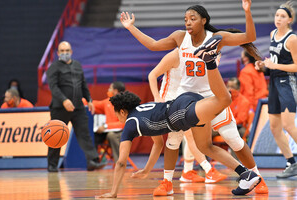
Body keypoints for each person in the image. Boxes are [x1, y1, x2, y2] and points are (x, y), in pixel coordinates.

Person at [119, 0, 268, 195]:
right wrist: (131, 27)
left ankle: (257, 177)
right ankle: (167, 183)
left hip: (211, 95)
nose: (187, 22)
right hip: (186, 97)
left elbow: (250, 36)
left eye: (192, 19)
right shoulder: (180, 37)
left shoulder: (217, 37)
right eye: (185, 19)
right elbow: (154, 45)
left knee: (233, 139)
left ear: (204, 20)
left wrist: (247, 12)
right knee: (175, 139)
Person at [98, 36, 261, 198]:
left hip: (179, 113)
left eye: (115, 113)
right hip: (183, 101)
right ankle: (246, 175)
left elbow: (120, 162)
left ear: (122, 112)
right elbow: (158, 144)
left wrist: (113, 192)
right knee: (205, 146)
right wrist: (146, 170)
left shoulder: (130, 124)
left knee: (223, 100)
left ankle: (210, 61)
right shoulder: (141, 110)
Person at [132, 48, 227, 184]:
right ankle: (208, 170)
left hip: (184, 98)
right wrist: (157, 97)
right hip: (169, 99)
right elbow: (152, 75)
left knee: (190, 135)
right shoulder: (175, 55)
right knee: (189, 134)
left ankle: (188, 171)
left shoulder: (196, 54)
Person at [46, 41, 106, 172]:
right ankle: (52, 165)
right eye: (62, 51)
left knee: (85, 134)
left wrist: (89, 99)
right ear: (58, 53)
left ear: (71, 52)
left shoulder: (77, 65)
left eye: (67, 50)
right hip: (60, 108)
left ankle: (92, 161)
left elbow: (83, 84)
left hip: (78, 107)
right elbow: (53, 87)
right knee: (56, 136)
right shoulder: (53, 67)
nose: (65, 53)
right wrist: (64, 100)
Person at [255, 1, 297, 178]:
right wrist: (263, 65)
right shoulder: (273, 34)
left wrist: (275, 64)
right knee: (274, 127)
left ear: (289, 20)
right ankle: (292, 163)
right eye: (277, 15)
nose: (278, 18)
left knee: (288, 125)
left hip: (288, 83)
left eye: (282, 16)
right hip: (273, 83)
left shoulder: (292, 39)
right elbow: (273, 61)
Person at [93, 81, 125, 162]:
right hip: (107, 131)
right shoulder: (107, 102)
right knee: (93, 134)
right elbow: (93, 104)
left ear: (116, 91)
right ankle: (94, 160)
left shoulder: (125, 103)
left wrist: (106, 126)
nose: (108, 90)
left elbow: (123, 123)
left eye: (110, 88)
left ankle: (120, 162)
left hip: (122, 132)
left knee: (111, 135)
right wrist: (79, 100)